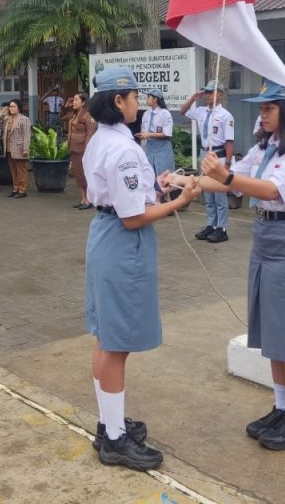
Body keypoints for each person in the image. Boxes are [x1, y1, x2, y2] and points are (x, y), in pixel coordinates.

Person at [164, 81, 285, 451]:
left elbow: (271, 190)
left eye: (269, 108)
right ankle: (282, 408)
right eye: (261, 108)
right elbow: (232, 184)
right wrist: (182, 180)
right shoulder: (266, 147)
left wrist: (227, 176)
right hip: (266, 236)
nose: (261, 115)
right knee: (273, 330)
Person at [83, 66, 201, 471]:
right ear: (119, 101)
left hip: (105, 234)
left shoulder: (103, 139)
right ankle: (115, 440)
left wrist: (158, 187)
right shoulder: (125, 149)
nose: (140, 103)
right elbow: (134, 217)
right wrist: (179, 202)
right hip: (123, 242)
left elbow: (121, 195)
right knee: (116, 344)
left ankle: (108, 424)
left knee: (105, 337)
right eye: (135, 97)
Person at [180, 82, 235, 243]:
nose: (208, 95)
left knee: (219, 195)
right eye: (207, 93)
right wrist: (193, 98)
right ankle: (211, 225)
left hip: (218, 155)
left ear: (220, 94)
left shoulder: (225, 115)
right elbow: (183, 111)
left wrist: (228, 164)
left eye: (211, 92)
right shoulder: (201, 111)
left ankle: (222, 228)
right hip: (205, 154)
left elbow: (229, 142)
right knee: (208, 193)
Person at [136, 88, 175, 202]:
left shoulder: (165, 114)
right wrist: (142, 135)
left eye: (148, 97)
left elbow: (167, 134)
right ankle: (153, 201)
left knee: (164, 176)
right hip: (149, 148)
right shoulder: (146, 114)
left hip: (162, 149)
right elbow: (144, 130)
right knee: (149, 175)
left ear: (155, 99)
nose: (146, 99)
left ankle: (167, 201)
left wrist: (149, 134)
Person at [66, 92, 96, 209]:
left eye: (76, 100)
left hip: (83, 149)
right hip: (74, 148)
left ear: (83, 102)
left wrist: (87, 150)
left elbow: (90, 133)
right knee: (78, 175)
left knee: (84, 175)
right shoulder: (74, 114)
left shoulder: (87, 115)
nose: (74, 102)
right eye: (73, 100)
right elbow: (61, 116)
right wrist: (66, 105)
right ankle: (83, 198)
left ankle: (89, 200)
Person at [1, 99, 31, 198]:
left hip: (19, 148)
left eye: (14, 106)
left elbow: (27, 135)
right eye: (10, 106)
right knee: (13, 170)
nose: (11, 108)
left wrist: (26, 149)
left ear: (19, 108)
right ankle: (15, 188)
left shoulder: (24, 119)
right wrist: (2, 116)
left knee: (21, 170)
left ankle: (22, 190)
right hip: (9, 148)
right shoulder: (8, 118)